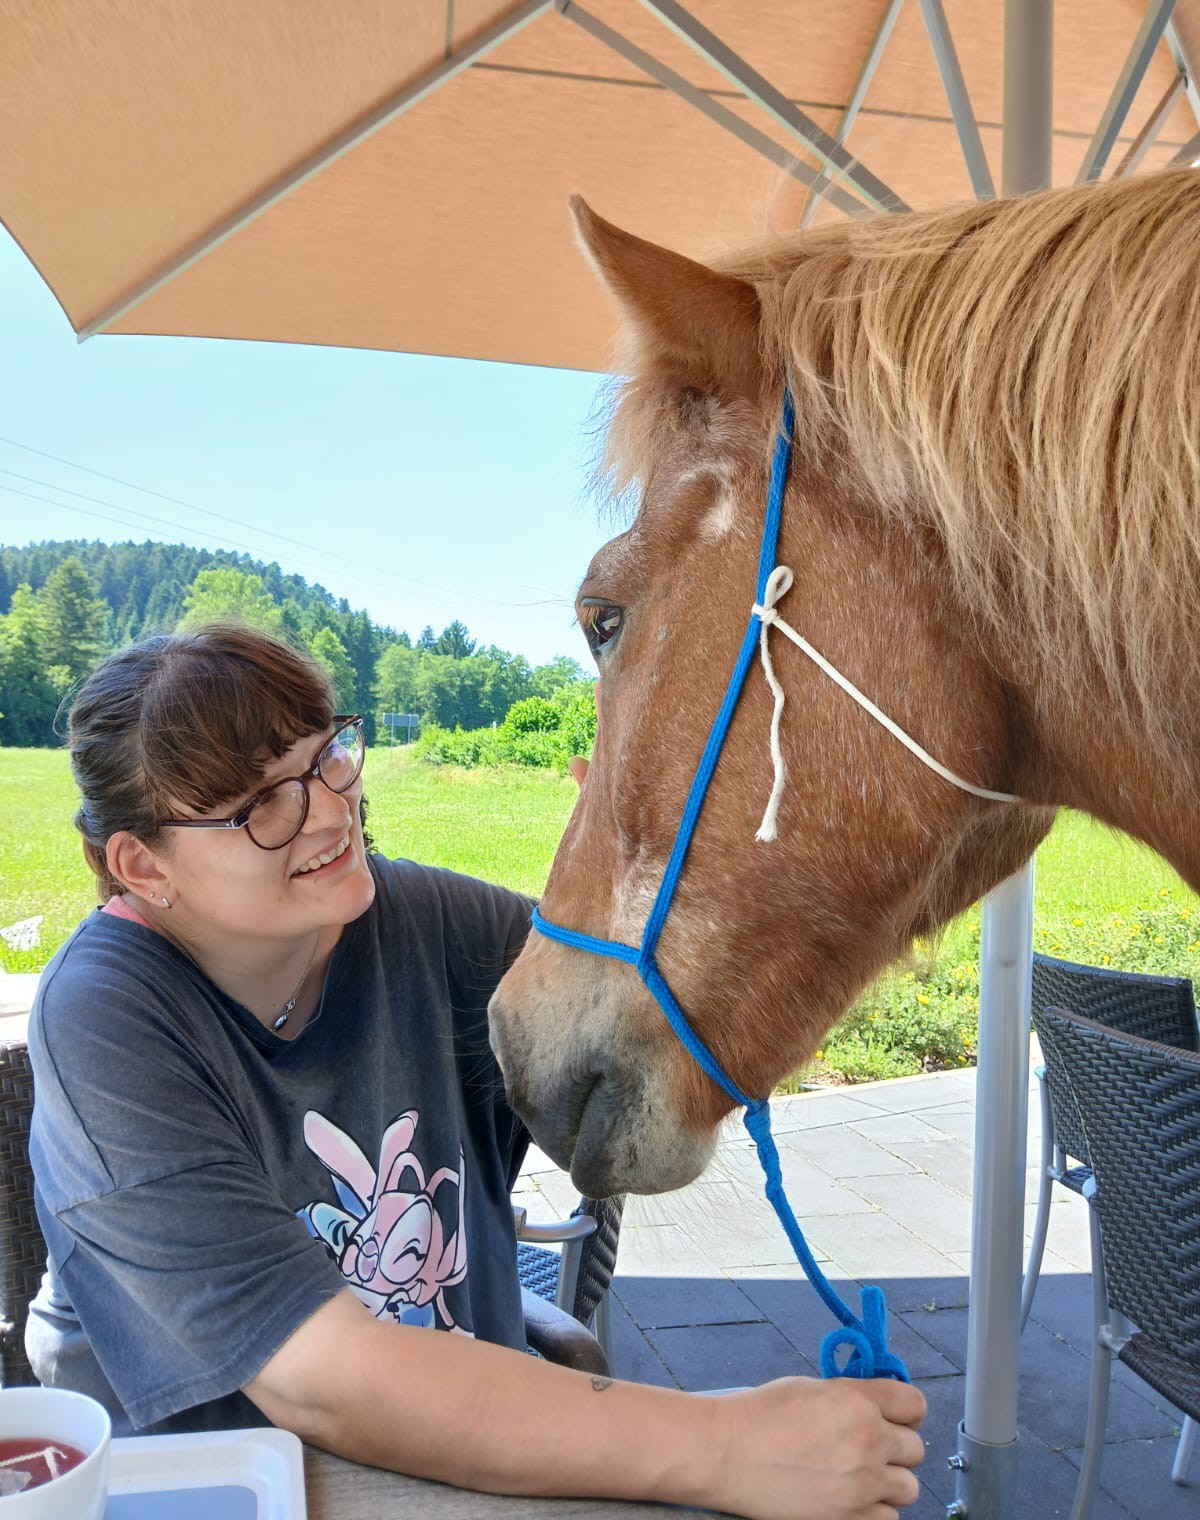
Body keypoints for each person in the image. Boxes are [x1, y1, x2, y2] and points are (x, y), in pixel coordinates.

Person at [26, 623, 926, 1520]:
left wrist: (647, 873)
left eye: (328, 756)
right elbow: (323, 1382)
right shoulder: (107, 1019)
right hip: (223, 1483)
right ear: (143, 867)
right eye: (263, 805)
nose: (333, 810)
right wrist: (728, 1446)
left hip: (463, 1442)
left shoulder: (419, 920)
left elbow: (643, 1020)